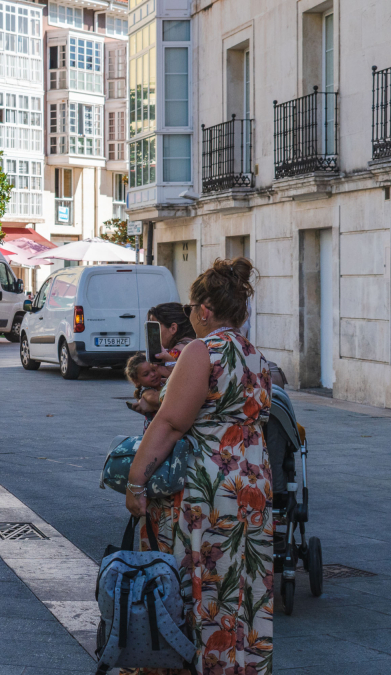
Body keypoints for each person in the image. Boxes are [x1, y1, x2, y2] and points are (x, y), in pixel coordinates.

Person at [123, 257, 273, 675]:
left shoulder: (201, 350)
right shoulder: (254, 355)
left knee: (200, 585)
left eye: (191, 308)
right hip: (250, 488)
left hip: (208, 489)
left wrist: (136, 481)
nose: (190, 316)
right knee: (238, 586)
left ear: (205, 310)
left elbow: (171, 422)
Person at [124, 353, 167, 430]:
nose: (153, 374)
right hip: (155, 432)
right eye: (146, 374)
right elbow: (156, 398)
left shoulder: (163, 382)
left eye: (154, 370)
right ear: (136, 381)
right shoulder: (147, 391)